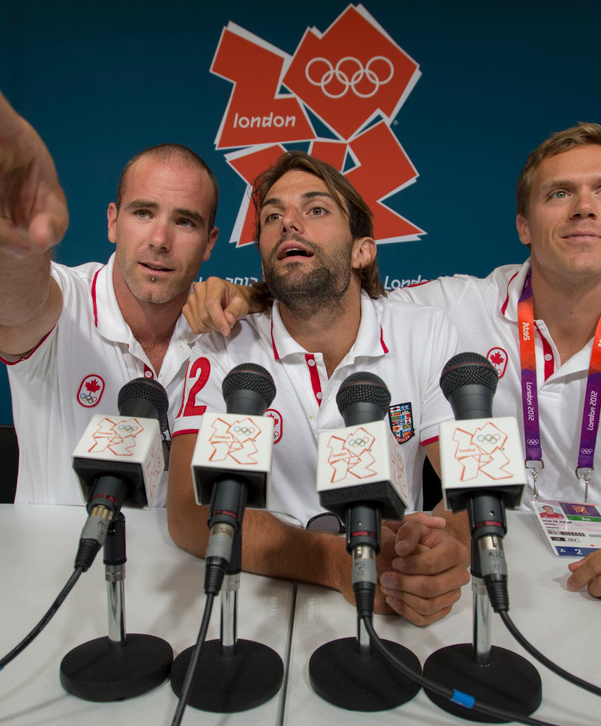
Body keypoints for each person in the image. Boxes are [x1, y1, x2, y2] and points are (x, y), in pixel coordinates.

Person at [183, 123, 601, 611]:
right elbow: (328, 301)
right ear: (523, 222)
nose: (583, 209)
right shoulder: (451, 309)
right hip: (468, 561)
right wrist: (244, 296)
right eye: (558, 194)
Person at [166, 151, 470, 626]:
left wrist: (440, 549)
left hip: (393, 593)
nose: (289, 223)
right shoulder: (223, 346)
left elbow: (465, 487)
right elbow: (188, 510)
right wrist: (330, 562)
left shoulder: (424, 332)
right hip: (253, 598)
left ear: (361, 250)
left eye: (316, 209)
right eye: (271, 216)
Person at [0, 38, 219, 505]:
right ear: (112, 222)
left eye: (185, 221)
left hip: (184, 574)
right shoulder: (67, 300)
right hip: (55, 575)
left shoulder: (223, 327)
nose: (160, 239)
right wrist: (12, 242)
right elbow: (13, 303)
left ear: (209, 244)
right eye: (143, 213)